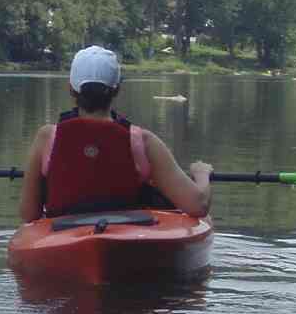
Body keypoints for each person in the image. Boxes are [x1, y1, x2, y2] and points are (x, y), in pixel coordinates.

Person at [19, 45, 212, 223]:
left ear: (71, 88)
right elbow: (199, 206)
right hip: (126, 238)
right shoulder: (142, 141)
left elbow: (29, 214)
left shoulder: (46, 138)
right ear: (117, 89)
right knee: (206, 220)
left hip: (61, 234)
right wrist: (201, 174)